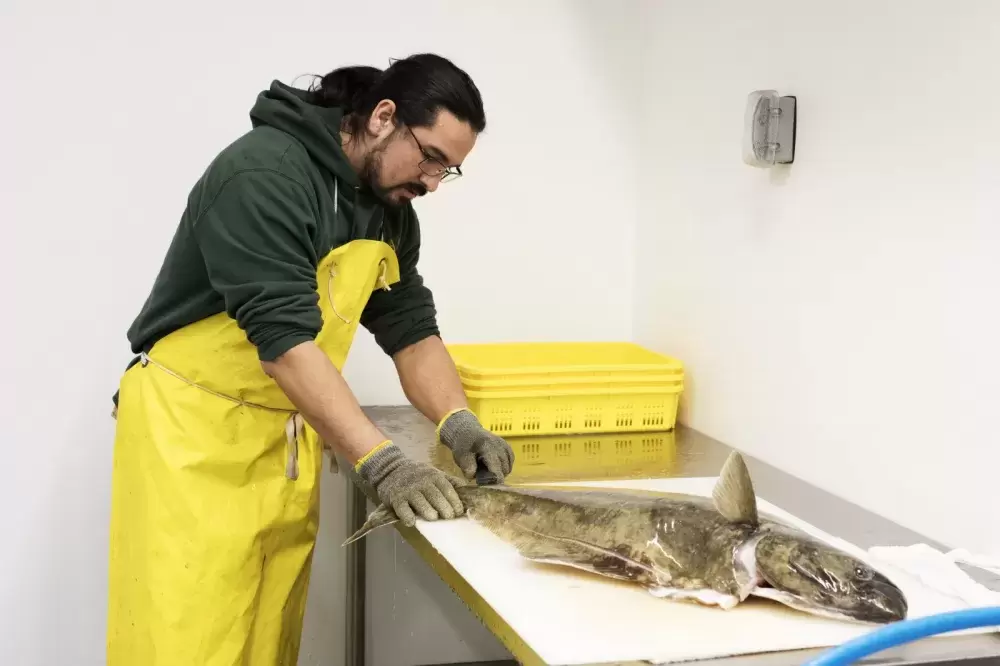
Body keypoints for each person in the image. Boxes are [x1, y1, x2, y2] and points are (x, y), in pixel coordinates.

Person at [106, 53, 515, 665]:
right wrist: (383, 463)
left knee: (267, 636)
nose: (432, 182)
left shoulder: (390, 209)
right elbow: (286, 344)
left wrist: (457, 420)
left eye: (447, 171)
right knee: (184, 638)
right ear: (383, 117)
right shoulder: (262, 175)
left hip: (286, 433)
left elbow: (409, 329)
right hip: (189, 438)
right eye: (430, 157)